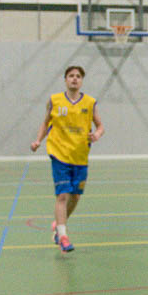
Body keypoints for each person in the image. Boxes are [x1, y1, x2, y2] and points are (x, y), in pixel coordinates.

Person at [29, 64, 103, 253]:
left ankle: (59, 224)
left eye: (78, 76)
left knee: (75, 196)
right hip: (59, 153)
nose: (74, 78)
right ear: (65, 80)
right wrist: (38, 140)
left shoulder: (90, 103)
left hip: (80, 155)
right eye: (71, 75)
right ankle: (63, 236)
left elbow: (101, 126)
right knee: (62, 195)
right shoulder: (54, 101)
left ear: (82, 81)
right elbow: (45, 123)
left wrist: (96, 134)